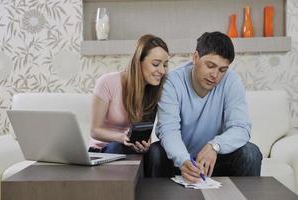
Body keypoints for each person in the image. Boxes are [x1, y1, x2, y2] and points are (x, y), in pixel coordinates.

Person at [146, 31, 262, 182]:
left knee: (250, 153)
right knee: (155, 153)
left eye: (222, 70)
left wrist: (215, 146)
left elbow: (241, 128)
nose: (215, 75)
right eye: (210, 65)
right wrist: (183, 160)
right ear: (195, 58)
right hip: (180, 160)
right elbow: (169, 130)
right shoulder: (172, 82)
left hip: (214, 161)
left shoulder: (232, 81)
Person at [90, 34, 169, 154]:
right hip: (103, 150)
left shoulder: (154, 90)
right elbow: (95, 131)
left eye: (165, 65)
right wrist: (122, 138)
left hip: (130, 150)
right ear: (138, 62)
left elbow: (146, 134)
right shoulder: (107, 82)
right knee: (118, 147)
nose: (162, 71)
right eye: (156, 64)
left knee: (155, 151)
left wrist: (144, 146)